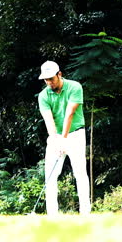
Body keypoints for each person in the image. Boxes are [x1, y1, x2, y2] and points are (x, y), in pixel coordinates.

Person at [37, 60, 91, 215]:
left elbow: (69, 114)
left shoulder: (75, 87)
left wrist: (64, 140)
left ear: (59, 74)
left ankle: (85, 213)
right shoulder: (43, 96)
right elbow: (49, 120)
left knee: (80, 173)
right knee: (50, 175)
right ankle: (52, 215)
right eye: (45, 80)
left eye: (51, 79)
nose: (49, 82)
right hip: (55, 137)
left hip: (75, 135)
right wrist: (56, 141)